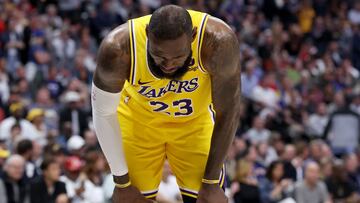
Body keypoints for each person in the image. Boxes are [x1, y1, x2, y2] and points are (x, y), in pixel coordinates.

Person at [92, 4, 240, 203]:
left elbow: (228, 111)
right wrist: (122, 183)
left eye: (178, 57)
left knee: (209, 198)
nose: (169, 64)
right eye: (159, 55)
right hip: (139, 125)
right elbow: (104, 113)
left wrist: (212, 182)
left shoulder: (218, 42)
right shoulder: (119, 48)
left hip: (194, 125)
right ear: (147, 36)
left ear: (193, 37)